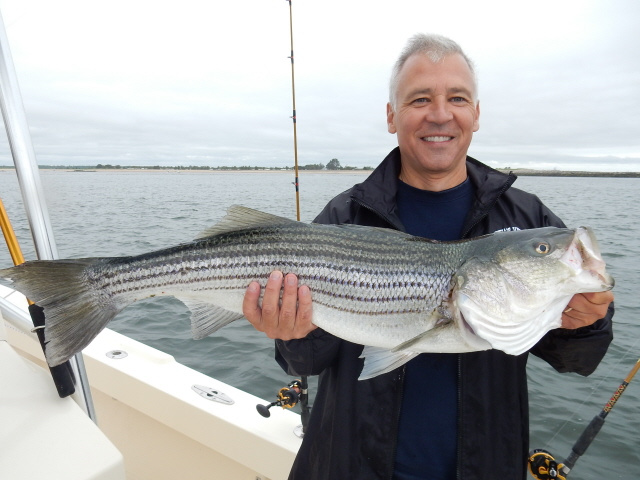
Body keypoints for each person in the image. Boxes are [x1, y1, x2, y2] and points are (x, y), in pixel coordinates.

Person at [242, 34, 614, 480]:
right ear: (391, 116)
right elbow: (303, 362)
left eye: (457, 97)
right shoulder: (345, 215)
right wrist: (291, 332)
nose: (440, 114)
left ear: (476, 113)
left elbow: (576, 360)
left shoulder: (527, 216)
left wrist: (587, 324)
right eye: (420, 99)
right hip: (349, 465)